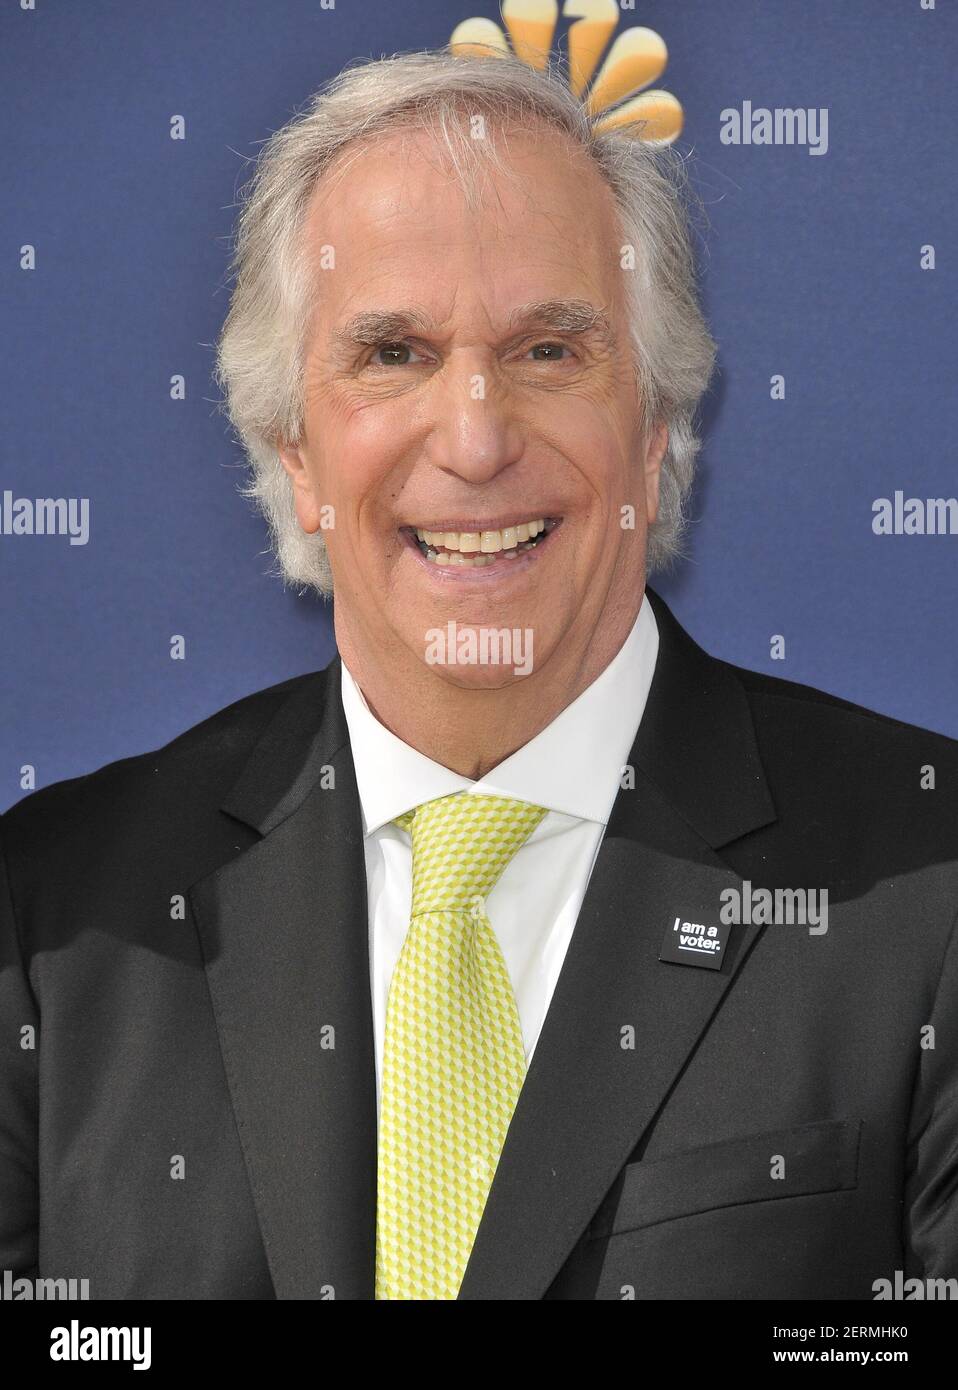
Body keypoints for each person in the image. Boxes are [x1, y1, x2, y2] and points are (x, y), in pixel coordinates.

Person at [2, 50, 956, 1301]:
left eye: (549, 351)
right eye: (390, 353)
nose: (473, 437)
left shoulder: (928, 888)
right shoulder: (57, 920)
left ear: (657, 426)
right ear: (292, 446)